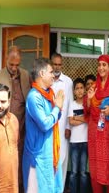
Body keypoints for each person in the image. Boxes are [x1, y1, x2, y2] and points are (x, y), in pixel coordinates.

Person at [0, 46, 31, 192]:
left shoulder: (25, 75)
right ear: (6, 60)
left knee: (20, 162)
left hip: (22, 128)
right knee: (4, 162)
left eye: (17, 65)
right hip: (2, 128)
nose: (14, 68)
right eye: (11, 64)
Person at [23, 58, 64, 192]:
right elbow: (45, 124)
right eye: (51, 72)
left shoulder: (48, 94)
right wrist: (57, 107)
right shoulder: (34, 97)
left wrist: (57, 107)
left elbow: (55, 118)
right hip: (38, 157)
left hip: (49, 153)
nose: (54, 75)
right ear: (41, 74)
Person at [84, 54, 109, 193]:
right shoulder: (93, 86)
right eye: (99, 65)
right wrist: (89, 99)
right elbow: (88, 110)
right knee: (96, 165)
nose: (101, 68)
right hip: (95, 129)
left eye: (104, 65)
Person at [51, 53, 74, 189]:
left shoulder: (68, 81)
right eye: (55, 64)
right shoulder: (47, 79)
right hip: (48, 127)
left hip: (62, 128)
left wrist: (68, 127)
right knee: (50, 159)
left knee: (62, 158)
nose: (57, 67)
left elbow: (70, 104)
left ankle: (59, 188)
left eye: (59, 64)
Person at [68, 77, 89, 193]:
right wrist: (83, 119)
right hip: (74, 142)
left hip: (85, 141)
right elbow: (71, 122)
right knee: (74, 172)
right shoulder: (72, 104)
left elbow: (89, 119)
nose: (80, 90)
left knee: (83, 172)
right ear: (74, 91)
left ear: (85, 89)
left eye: (82, 88)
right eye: (77, 88)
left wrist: (77, 117)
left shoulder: (87, 105)